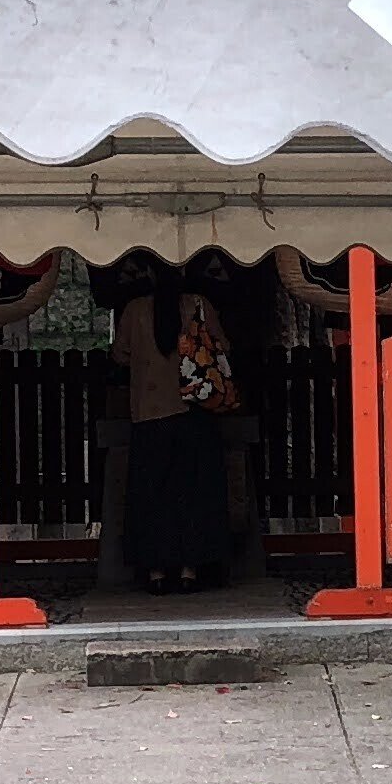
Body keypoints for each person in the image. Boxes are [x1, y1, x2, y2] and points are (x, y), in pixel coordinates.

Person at [111, 252, 236, 592]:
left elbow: (120, 353)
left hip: (150, 413)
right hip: (193, 408)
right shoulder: (198, 304)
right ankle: (189, 570)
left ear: (150, 273)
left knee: (152, 495)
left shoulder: (135, 310)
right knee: (193, 493)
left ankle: (154, 572)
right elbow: (222, 346)